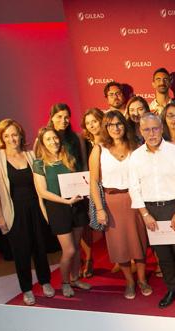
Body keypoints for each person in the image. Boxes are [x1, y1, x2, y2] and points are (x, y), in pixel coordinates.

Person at [128, 112, 175, 311]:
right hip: (151, 211)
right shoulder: (136, 156)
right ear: (141, 132)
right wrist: (144, 214)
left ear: (161, 129)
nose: (152, 133)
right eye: (147, 130)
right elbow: (134, 187)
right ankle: (172, 288)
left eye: (155, 128)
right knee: (164, 256)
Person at [89, 111, 151, 300]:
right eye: (110, 125)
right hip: (112, 202)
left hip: (136, 200)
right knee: (120, 245)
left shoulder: (137, 147)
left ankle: (141, 280)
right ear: (105, 128)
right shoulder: (99, 149)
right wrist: (100, 209)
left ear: (125, 125)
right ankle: (129, 282)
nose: (115, 128)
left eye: (119, 124)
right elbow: (93, 182)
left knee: (139, 242)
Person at [0, 119, 54, 305]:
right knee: (21, 252)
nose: (12, 139)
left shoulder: (31, 155)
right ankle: (26, 289)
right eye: (7, 135)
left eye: (15, 134)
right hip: (14, 212)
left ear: (21, 135)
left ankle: (45, 282)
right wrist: (0, 217)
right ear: (2, 138)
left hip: (36, 209)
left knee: (40, 248)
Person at [33, 127, 90, 298]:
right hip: (58, 208)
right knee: (69, 250)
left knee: (77, 247)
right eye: (48, 139)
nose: (53, 142)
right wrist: (65, 201)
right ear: (42, 143)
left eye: (55, 138)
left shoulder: (68, 157)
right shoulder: (39, 163)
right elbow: (42, 192)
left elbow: (79, 180)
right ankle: (65, 283)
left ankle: (75, 279)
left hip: (77, 205)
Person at [79, 108, 105, 278]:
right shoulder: (84, 143)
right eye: (88, 123)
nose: (91, 125)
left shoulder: (109, 141)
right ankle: (88, 259)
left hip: (108, 187)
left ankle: (124, 261)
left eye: (94, 121)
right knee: (95, 225)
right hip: (89, 188)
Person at [45, 103, 86, 171]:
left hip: (76, 179)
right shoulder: (42, 139)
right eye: (59, 116)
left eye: (66, 117)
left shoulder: (78, 138)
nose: (63, 121)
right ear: (52, 117)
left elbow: (84, 163)